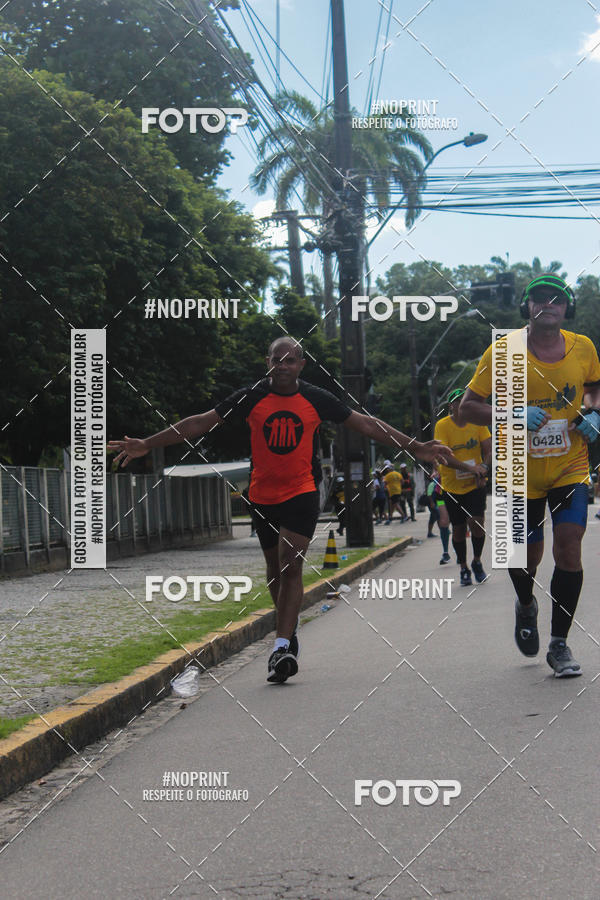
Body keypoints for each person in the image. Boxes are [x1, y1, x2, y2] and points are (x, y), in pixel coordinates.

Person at [108, 336, 451, 684]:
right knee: (275, 570)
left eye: (290, 361)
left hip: (301, 492)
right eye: (277, 360)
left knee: (291, 564)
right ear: (267, 362)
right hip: (261, 496)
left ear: (301, 365)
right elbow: (200, 422)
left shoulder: (317, 398)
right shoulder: (250, 396)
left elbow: (365, 424)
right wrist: (147, 443)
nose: (283, 366)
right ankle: (289, 631)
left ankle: (282, 646)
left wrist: (416, 446)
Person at [459, 274, 600, 676]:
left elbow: (595, 387)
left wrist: (595, 413)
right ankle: (525, 603)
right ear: (527, 307)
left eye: (557, 300)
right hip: (515, 468)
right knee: (523, 559)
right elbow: (467, 409)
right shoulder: (503, 353)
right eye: (539, 299)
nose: (548, 305)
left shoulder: (583, 346)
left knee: (569, 545)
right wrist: (511, 413)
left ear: (566, 308)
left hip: (569, 465)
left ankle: (560, 643)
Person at [434, 388, 492, 586]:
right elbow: (444, 457)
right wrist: (470, 467)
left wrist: (484, 466)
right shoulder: (443, 426)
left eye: (465, 401)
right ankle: (464, 568)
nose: (462, 404)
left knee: (477, 524)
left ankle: (477, 561)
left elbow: (490, 448)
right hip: (452, 487)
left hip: (475, 485)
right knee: (458, 530)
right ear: (452, 406)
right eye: (458, 402)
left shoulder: (478, 424)